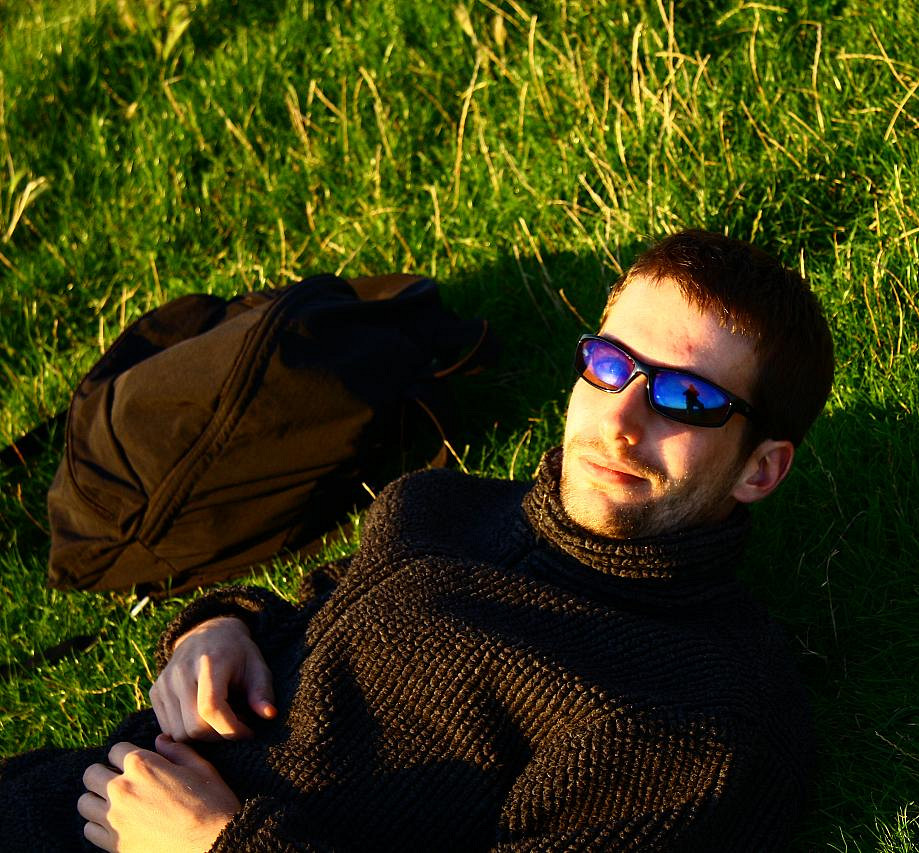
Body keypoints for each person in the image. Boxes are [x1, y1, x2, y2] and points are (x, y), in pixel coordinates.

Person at [1, 229, 835, 852]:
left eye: (687, 398)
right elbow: (318, 604)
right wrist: (219, 629)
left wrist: (218, 844)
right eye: (610, 364)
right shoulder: (440, 504)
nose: (619, 418)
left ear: (760, 468)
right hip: (52, 796)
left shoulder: (697, 722)